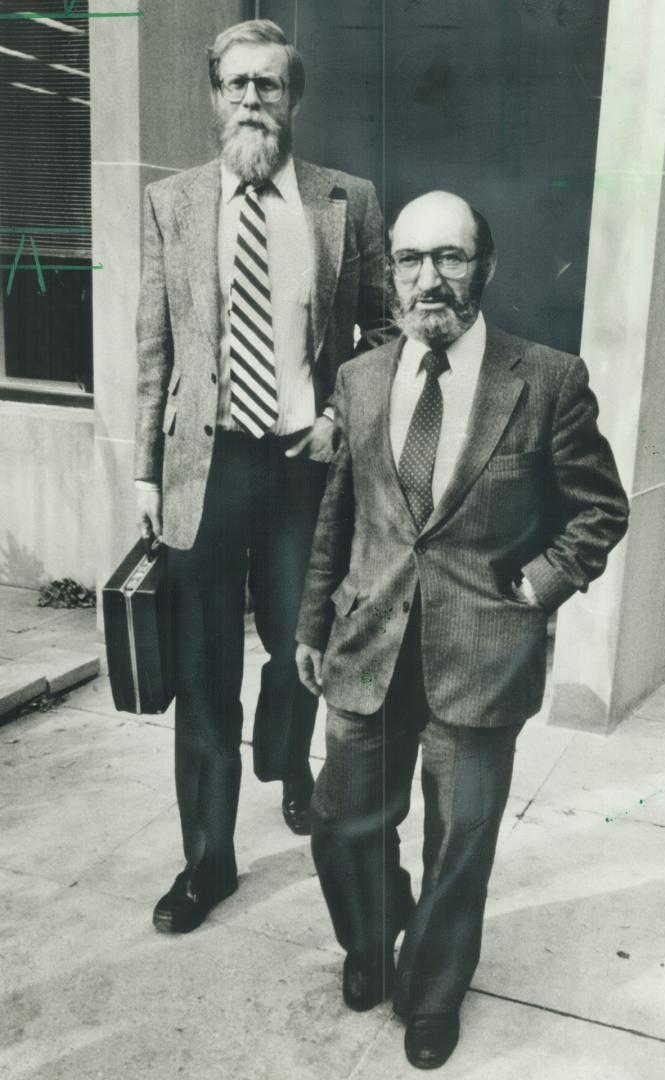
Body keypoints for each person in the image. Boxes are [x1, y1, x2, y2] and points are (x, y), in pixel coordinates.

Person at [295, 191, 629, 1069]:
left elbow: (599, 511)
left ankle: (433, 989)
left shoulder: (547, 379)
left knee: (460, 839)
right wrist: (310, 620)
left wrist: (534, 586)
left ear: (484, 266)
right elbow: (341, 514)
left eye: (449, 257)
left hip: (480, 652)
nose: (428, 279)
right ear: (391, 272)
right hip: (368, 644)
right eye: (410, 260)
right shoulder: (360, 380)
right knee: (341, 826)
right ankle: (372, 941)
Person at [134, 19, 392, 934]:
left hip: (299, 473)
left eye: (269, 86)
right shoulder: (172, 202)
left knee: (299, 651)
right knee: (203, 679)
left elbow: (385, 331)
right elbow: (154, 345)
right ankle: (207, 861)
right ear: (214, 96)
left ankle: (287, 763)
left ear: (294, 99)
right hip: (204, 470)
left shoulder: (342, 201)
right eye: (237, 84)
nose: (252, 100)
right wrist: (144, 474)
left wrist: (336, 420)